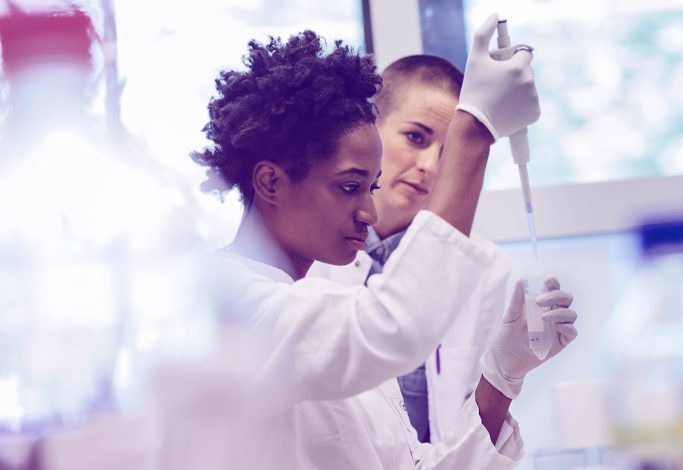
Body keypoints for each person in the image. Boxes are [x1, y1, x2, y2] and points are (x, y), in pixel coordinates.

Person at [181, 14, 577, 469]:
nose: (368, 213)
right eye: (349, 186)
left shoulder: (322, 308)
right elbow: (389, 328)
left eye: (371, 189)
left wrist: (503, 376)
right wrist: (474, 131)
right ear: (270, 182)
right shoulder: (222, 304)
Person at [307, 54, 511, 445]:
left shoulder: (484, 268)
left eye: (449, 151)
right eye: (416, 137)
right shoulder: (309, 256)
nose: (430, 166)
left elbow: (472, 432)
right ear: (369, 128)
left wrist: (508, 372)